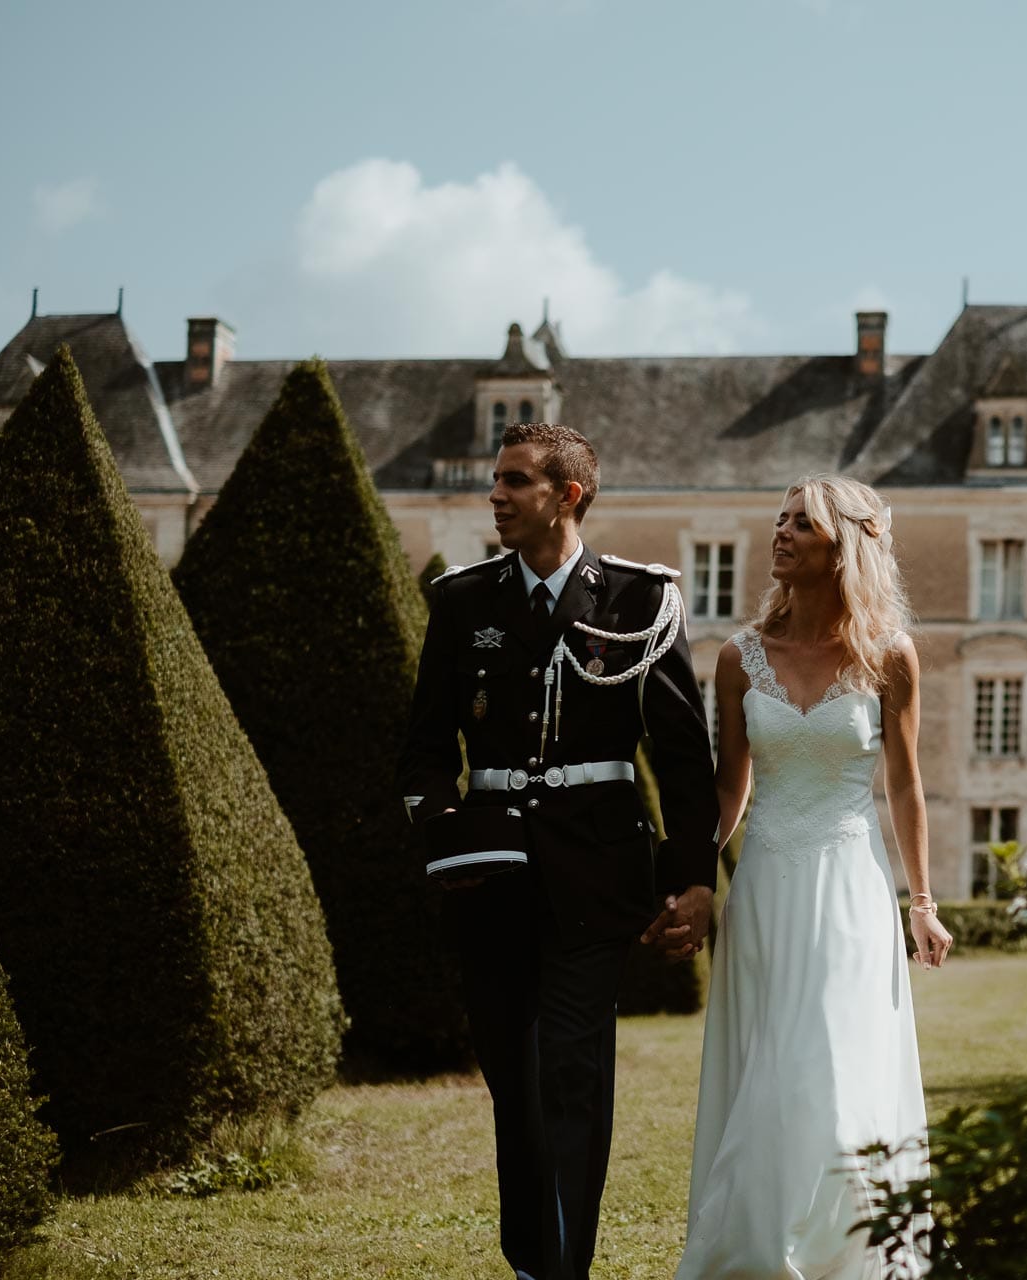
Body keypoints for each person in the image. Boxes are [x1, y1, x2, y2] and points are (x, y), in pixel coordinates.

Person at [398, 422, 719, 1280]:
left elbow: (684, 758)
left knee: (570, 1076)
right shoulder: (465, 601)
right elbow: (425, 743)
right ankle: (535, 1260)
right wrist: (442, 831)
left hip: (597, 876)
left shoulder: (641, 603)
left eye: (515, 482)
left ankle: (563, 1269)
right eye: (495, 482)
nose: (495, 496)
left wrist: (692, 877)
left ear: (566, 496)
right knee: (515, 1084)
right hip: (490, 879)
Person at [676, 474, 953, 1280]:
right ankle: (759, 1251)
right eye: (781, 519)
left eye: (804, 523)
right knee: (768, 1065)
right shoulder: (738, 658)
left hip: (851, 890)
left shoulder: (890, 655)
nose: (783, 532)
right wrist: (692, 871)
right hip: (764, 884)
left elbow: (903, 784)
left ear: (846, 546)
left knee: (834, 1064)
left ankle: (851, 1256)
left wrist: (923, 903)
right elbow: (732, 788)